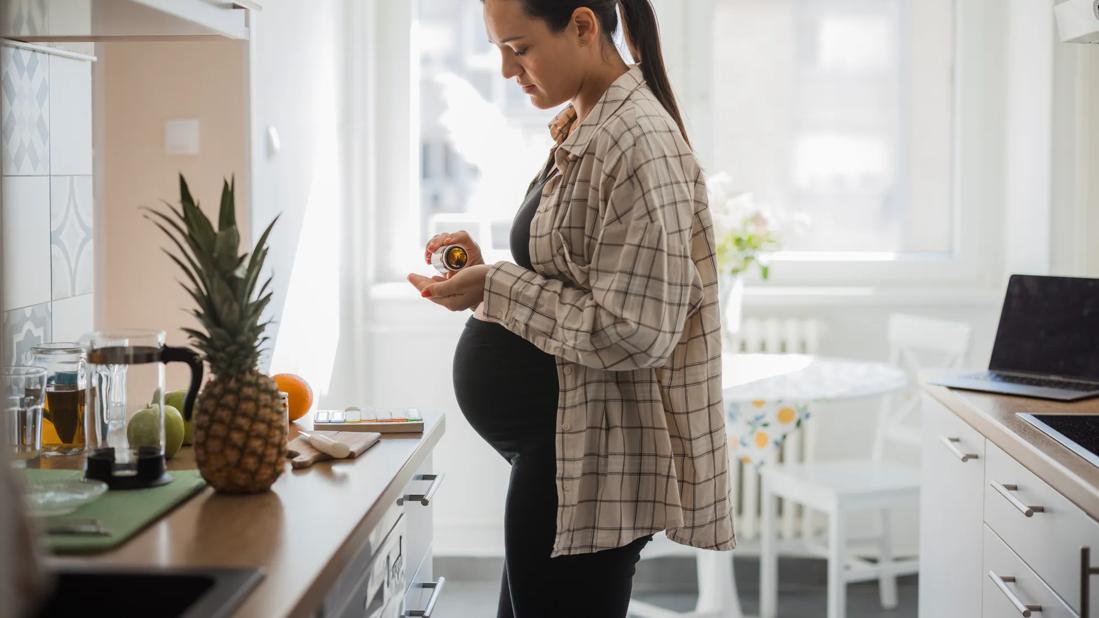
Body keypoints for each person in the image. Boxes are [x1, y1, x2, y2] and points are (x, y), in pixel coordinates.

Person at [407, 1, 735, 615]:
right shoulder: (588, 124)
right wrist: (484, 270)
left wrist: (496, 286)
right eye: (499, 50)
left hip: (588, 461)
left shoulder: (637, 141)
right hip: (562, 453)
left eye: (520, 48)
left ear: (583, 26)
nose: (507, 70)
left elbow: (636, 330)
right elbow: (577, 273)